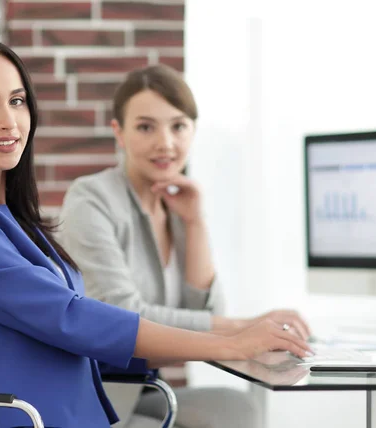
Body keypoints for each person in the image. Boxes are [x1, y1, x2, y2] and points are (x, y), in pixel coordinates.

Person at [0, 36, 312, 428]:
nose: (9, 121)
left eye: (17, 101)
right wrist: (231, 343)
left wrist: (233, 337)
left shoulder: (16, 221)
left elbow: (74, 327)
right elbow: (70, 317)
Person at [58, 64, 313, 427]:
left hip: (144, 393)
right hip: (98, 400)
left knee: (240, 408)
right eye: (146, 127)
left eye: (178, 126)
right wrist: (244, 326)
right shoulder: (91, 199)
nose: (166, 143)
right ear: (119, 132)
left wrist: (194, 222)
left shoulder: (175, 203)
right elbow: (122, 314)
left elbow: (207, 310)